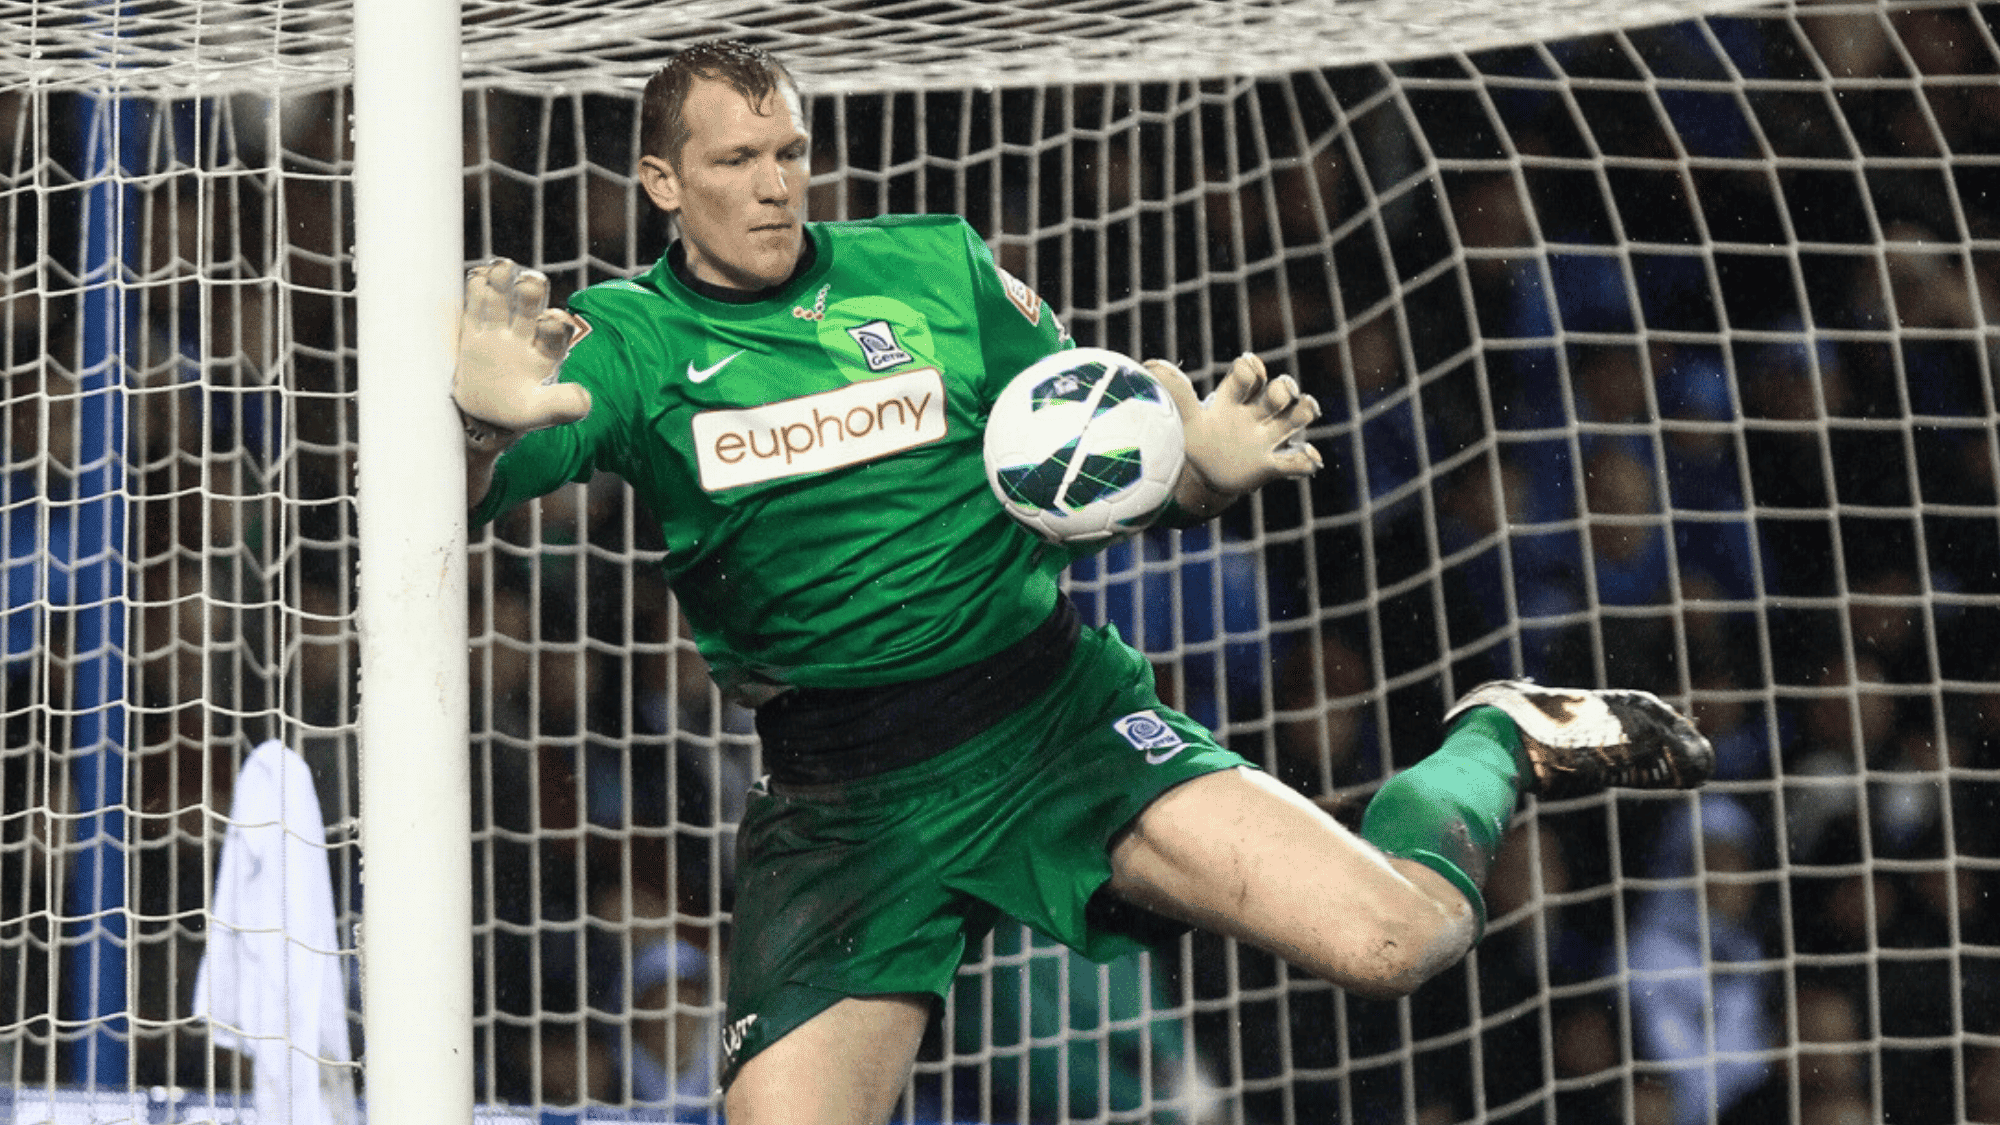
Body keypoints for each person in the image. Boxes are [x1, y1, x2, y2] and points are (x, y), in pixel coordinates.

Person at [449, 39, 1716, 1125]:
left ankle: (1497, 733)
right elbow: (470, 495)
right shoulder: (630, 340)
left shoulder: (932, 268)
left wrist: (1197, 470)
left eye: (790, 153)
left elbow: (1083, 451)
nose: (775, 188)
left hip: (1053, 719)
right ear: (662, 181)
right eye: (736, 164)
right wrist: (477, 430)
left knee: (1399, 941)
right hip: (843, 800)